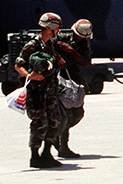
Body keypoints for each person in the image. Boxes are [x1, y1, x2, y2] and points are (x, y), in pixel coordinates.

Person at [14, 12, 67, 168]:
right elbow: (18, 64)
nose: (58, 31)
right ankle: (34, 157)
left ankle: (46, 154)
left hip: (50, 91)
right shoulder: (32, 45)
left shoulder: (49, 44)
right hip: (36, 92)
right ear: (50, 28)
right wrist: (29, 76)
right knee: (40, 123)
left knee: (55, 121)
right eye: (57, 27)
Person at [53, 19, 93, 158]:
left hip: (72, 78)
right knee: (67, 113)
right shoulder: (62, 37)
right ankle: (63, 147)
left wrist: (71, 51)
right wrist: (58, 57)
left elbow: (85, 62)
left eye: (81, 37)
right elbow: (47, 46)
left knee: (78, 114)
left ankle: (55, 135)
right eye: (77, 35)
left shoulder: (84, 44)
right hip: (58, 78)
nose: (79, 38)